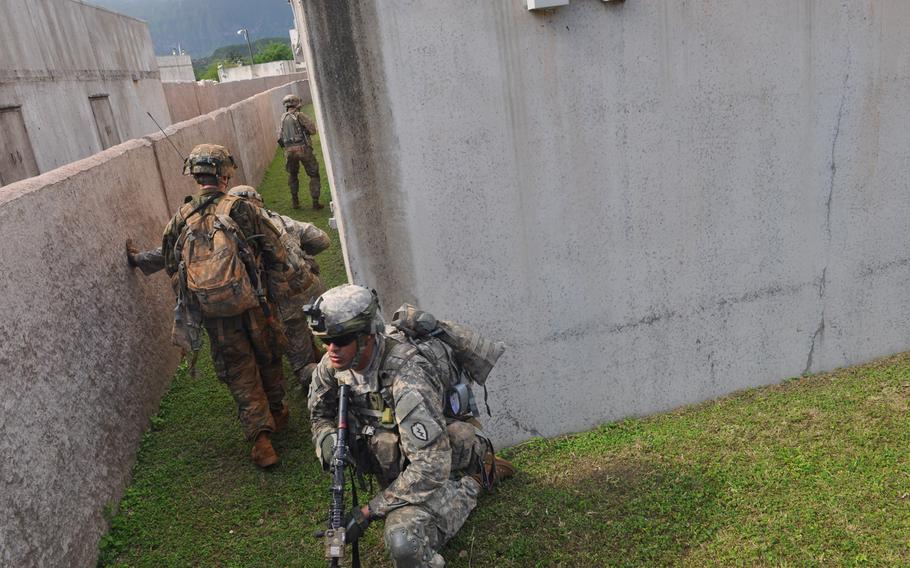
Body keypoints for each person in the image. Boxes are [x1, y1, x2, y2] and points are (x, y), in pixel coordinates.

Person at [307, 284, 515, 567]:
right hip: (400, 463)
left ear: (367, 336)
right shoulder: (333, 366)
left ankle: (476, 479)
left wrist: (369, 511)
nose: (331, 350)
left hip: (434, 463)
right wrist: (327, 439)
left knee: (404, 543)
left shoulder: (407, 377)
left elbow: (430, 468)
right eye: (325, 341)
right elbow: (319, 415)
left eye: (341, 340)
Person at [159, 144, 291, 468]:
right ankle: (277, 410)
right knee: (268, 352)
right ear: (224, 173)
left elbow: (169, 262)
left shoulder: (182, 216)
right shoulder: (241, 208)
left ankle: (262, 441)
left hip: (215, 315)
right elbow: (275, 250)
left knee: (238, 368)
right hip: (254, 303)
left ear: (195, 175)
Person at [126, 185, 331, 389]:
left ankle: (326, 385)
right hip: (315, 290)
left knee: (303, 365)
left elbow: (169, 252)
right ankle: (331, 360)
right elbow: (321, 240)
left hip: (286, 305)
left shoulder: (231, 232)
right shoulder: (279, 220)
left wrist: (138, 259)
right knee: (335, 338)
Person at [277, 94, 322, 210]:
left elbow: (280, 138)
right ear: (297, 104)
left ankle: (295, 202)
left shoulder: (283, 117)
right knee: (314, 174)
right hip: (303, 149)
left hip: (289, 152)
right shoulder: (299, 115)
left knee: (292, 175)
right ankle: (315, 203)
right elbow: (312, 130)